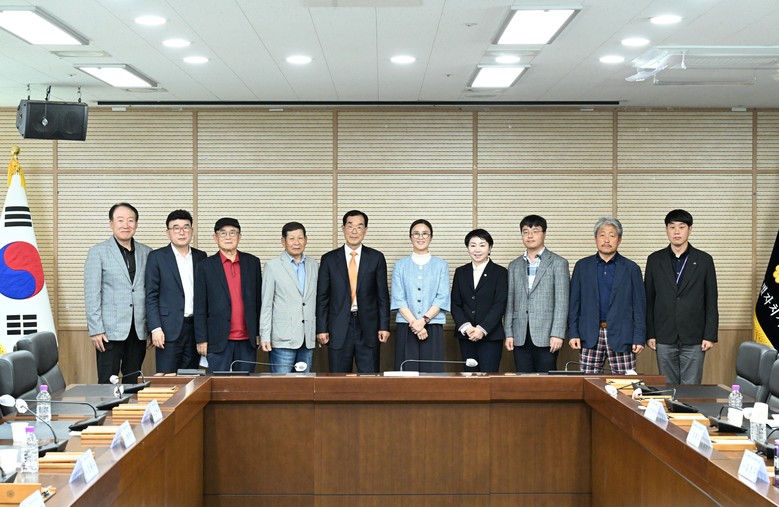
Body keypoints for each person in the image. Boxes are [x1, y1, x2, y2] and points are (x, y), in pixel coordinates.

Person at [645, 209, 718, 384]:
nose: (676, 231)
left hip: (695, 336)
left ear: (690, 229)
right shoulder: (654, 260)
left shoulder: (704, 260)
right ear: (666, 229)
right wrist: (650, 334)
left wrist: (709, 335)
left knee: (691, 389)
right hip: (664, 335)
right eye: (672, 227)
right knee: (668, 387)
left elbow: (711, 300)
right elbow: (649, 299)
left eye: (681, 227)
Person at [568, 217, 645, 374]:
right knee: (589, 383)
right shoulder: (582, 266)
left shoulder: (631, 268)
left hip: (622, 336)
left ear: (619, 240)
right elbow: (574, 304)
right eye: (602, 235)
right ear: (595, 238)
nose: (606, 240)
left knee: (625, 384)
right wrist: (573, 333)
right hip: (589, 334)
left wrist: (639, 337)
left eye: (612, 235)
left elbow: (639, 306)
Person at [84, 202, 151, 384]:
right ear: (111, 223)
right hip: (108, 332)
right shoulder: (98, 252)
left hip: (138, 330)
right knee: (107, 383)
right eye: (120, 220)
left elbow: (150, 292)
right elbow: (92, 294)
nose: (125, 225)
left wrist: (151, 327)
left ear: (136, 224)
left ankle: (130, 405)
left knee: (133, 382)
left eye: (130, 220)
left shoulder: (147, 252)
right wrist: (96, 330)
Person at [316, 210, 390, 373]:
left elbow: (382, 296)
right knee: (338, 378)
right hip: (338, 327)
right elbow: (322, 297)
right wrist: (321, 328)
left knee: (370, 377)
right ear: (343, 228)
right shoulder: (329, 259)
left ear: (365, 230)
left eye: (359, 226)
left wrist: (384, 326)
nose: (354, 231)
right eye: (350, 226)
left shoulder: (376, 258)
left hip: (368, 327)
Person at [194, 218, 262, 373]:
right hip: (217, 339)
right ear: (215, 237)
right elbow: (200, 305)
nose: (228, 237)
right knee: (218, 384)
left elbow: (258, 301)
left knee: (244, 385)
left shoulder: (252, 263)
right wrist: (201, 339)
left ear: (239, 236)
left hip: (247, 339)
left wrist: (259, 332)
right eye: (223, 233)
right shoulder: (205, 266)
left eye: (233, 233)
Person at [504, 215, 569, 373]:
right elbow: (510, 301)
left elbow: (562, 302)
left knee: (546, 381)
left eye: (535, 231)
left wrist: (557, 334)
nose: (530, 236)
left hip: (547, 335)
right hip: (520, 334)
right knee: (522, 380)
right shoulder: (514, 265)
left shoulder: (558, 263)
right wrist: (509, 333)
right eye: (525, 232)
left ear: (544, 234)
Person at [144, 210, 207, 374]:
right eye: (176, 228)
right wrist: (155, 328)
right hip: (167, 330)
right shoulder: (157, 257)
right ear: (168, 232)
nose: (182, 232)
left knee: (191, 379)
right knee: (166, 378)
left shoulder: (201, 257)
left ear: (192, 231)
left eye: (186, 227)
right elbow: (151, 296)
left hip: (195, 330)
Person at [391, 220, 450, 372]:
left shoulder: (441, 265)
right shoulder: (400, 265)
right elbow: (398, 298)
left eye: (425, 233)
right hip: (406, 325)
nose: (420, 237)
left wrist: (423, 321)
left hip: (433, 324)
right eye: (416, 233)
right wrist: (415, 324)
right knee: (406, 371)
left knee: (432, 373)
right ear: (410, 237)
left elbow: (442, 297)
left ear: (431, 237)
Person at [260, 222, 318, 373]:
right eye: (291, 238)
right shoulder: (272, 266)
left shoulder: (313, 265)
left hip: (307, 337)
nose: (296, 242)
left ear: (306, 240)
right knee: (281, 384)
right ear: (283, 241)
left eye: (300, 238)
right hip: (282, 338)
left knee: (305, 384)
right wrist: (265, 335)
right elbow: (266, 304)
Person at [450, 229, 507, 373]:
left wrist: (482, 329)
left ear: (490, 248)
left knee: (489, 377)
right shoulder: (460, 272)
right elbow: (455, 304)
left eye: (482, 245)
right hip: (466, 335)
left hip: (491, 336)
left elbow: (499, 305)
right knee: (469, 377)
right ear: (468, 248)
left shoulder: (500, 272)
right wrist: (467, 328)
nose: (477, 250)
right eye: (472, 245)